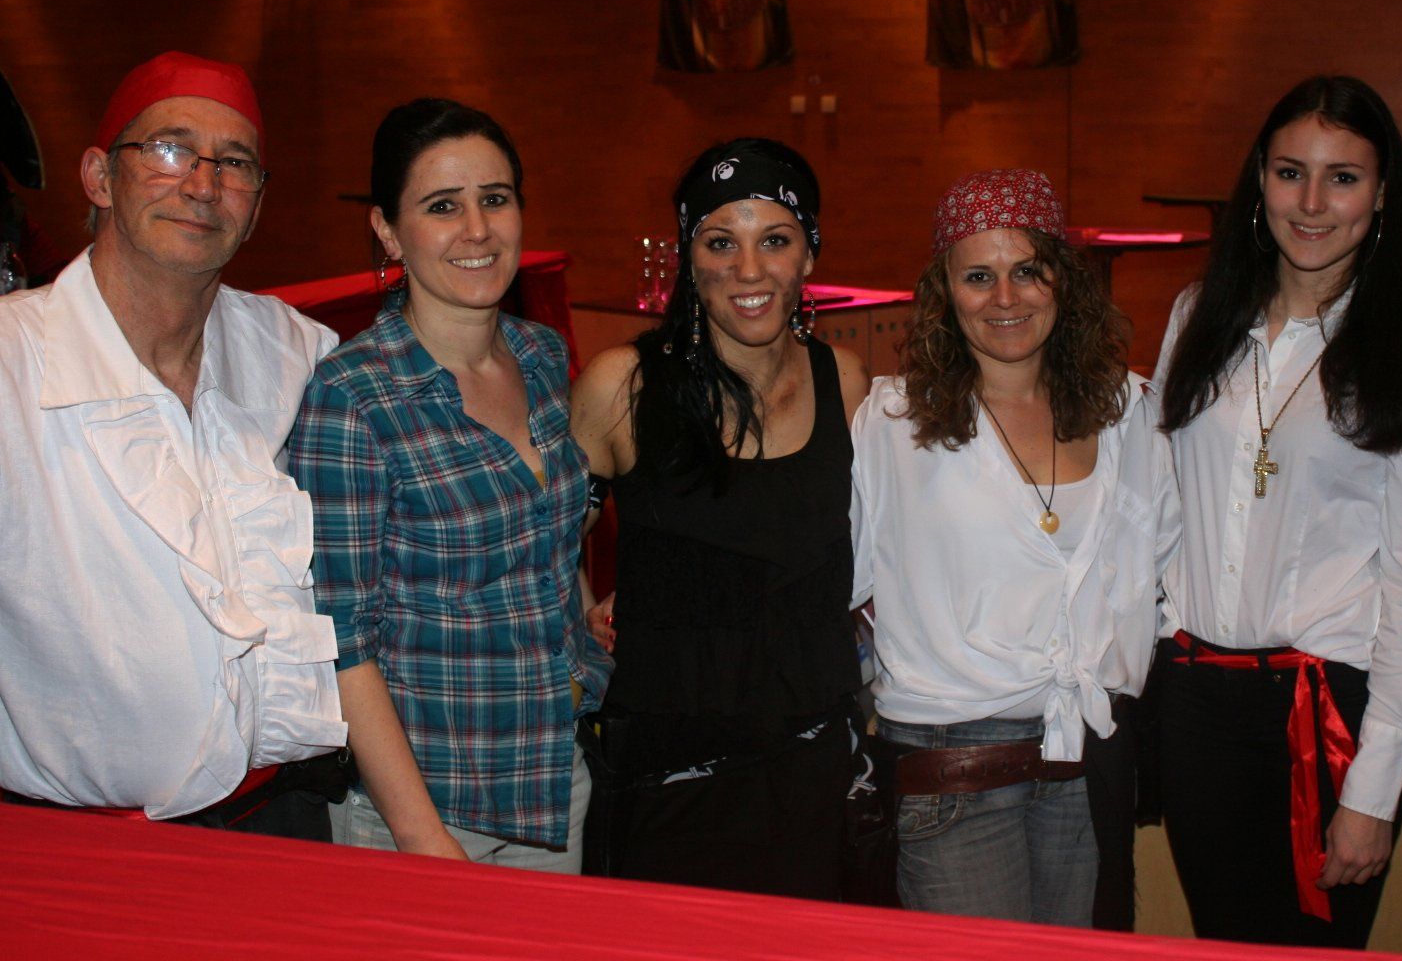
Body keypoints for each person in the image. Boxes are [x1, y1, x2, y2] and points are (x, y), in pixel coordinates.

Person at [0, 51, 346, 836]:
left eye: (235, 163)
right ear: (98, 177)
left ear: (256, 205)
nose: (202, 184)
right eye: (168, 149)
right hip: (68, 842)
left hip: (284, 818)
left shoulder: (298, 354)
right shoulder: (13, 364)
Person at [1152, 76, 1402, 946]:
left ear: (1383, 194)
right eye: (1291, 173)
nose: (1313, 203)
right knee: (1223, 941)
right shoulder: (1196, 318)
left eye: (1344, 178)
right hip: (1194, 702)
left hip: (1326, 714)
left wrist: (1373, 790)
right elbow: (1159, 509)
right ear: (1260, 181)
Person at [288, 99, 609, 870]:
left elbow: (551, 535)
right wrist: (421, 837)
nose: (477, 229)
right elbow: (341, 643)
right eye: (442, 206)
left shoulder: (539, 357)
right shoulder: (352, 397)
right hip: (427, 810)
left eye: (495, 199)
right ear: (388, 231)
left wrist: (582, 620)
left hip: (553, 782)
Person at [850, 168, 1176, 928]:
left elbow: (1169, 569)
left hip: (1085, 757)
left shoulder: (1129, 411)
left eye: (1028, 270)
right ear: (944, 292)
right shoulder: (893, 421)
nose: (1005, 297)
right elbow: (831, 570)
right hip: (953, 763)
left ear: (1063, 279)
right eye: (978, 276)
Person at [570, 137, 868, 899]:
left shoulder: (844, 382)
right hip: (670, 788)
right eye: (720, 242)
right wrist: (586, 616)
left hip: (813, 776)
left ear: (809, 255)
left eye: (776, 240)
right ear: (688, 257)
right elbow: (540, 549)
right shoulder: (625, 387)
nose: (749, 270)